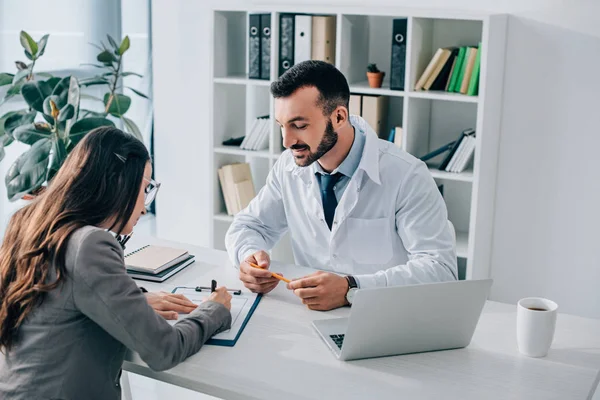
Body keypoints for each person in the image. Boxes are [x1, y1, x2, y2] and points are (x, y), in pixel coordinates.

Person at [0, 127, 232, 399]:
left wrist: (134, 302)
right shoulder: (89, 243)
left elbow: (57, 302)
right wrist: (214, 311)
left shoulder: (27, 223)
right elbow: (163, 350)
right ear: (118, 183)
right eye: (144, 188)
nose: (145, 207)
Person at [226, 60, 457, 311]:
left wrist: (352, 288)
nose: (287, 141)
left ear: (338, 116)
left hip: (386, 318)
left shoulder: (407, 175)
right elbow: (249, 225)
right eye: (282, 126)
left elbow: (440, 270)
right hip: (309, 317)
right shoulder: (288, 167)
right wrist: (248, 256)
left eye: (300, 126)